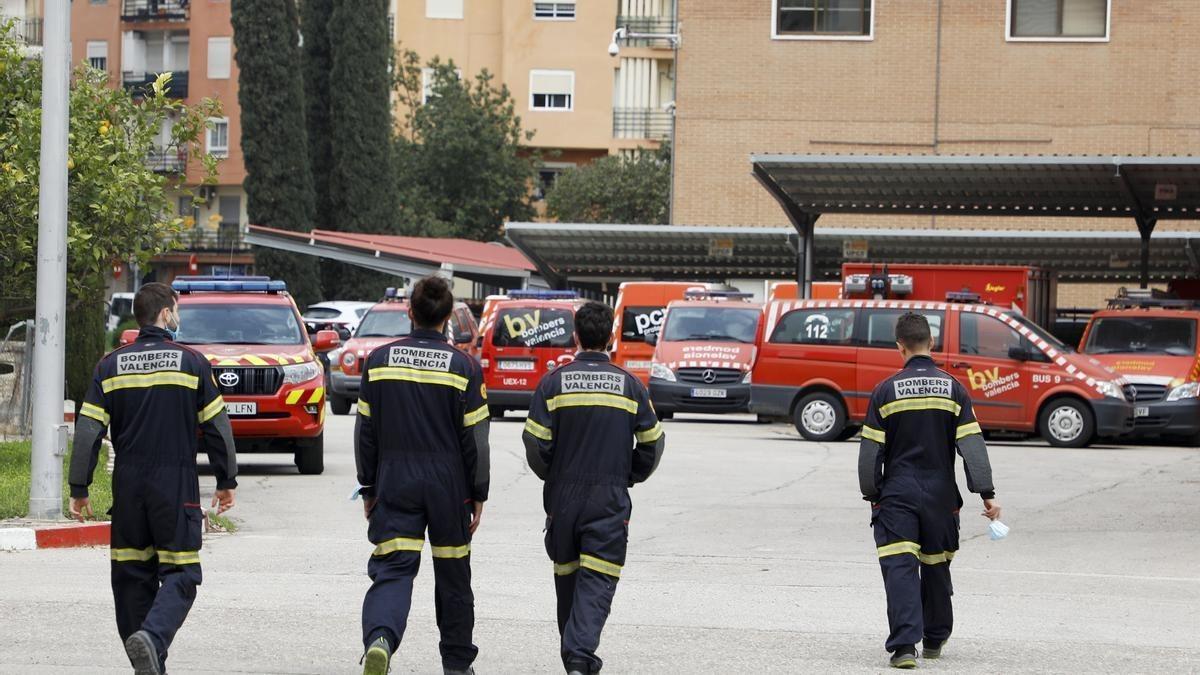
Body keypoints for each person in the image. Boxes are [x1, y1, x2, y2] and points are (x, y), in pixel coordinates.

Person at [69, 281, 237, 675]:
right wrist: (226, 480)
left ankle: (146, 662)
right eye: (176, 311)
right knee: (182, 572)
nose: (178, 318)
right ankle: (153, 639)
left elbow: (88, 430)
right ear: (165, 315)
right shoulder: (192, 363)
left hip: (128, 487)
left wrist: (79, 486)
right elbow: (217, 428)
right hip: (174, 484)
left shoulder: (110, 366)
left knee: (131, 578)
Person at [356, 276, 490, 675]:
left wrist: (368, 485)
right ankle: (455, 664)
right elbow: (476, 442)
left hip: (395, 477)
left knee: (393, 568)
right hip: (449, 485)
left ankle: (380, 638)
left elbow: (366, 432)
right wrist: (478, 491)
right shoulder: (464, 366)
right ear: (448, 317)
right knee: (453, 575)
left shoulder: (378, 362)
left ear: (409, 312)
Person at [523, 301, 666, 674]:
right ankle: (579, 657)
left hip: (563, 498)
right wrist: (628, 475)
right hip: (608, 497)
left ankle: (574, 654)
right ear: (612, 337)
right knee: (598, 579)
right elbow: (652, 444)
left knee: (567, 580)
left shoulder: (553, 383)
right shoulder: (631, 387)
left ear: (575, 336)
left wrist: (553, 475)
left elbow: (534, 444)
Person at [858, 312, 1001, 669]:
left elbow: (870, 452)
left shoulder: (885, 391)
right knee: (936, 567)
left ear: (899, 346)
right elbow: (972, 445)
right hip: (940, 496)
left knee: (900, 567)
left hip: (898, 494)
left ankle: (905, 647)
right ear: (931, 343)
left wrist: (873, 492)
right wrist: (985, 492)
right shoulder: (954, 389)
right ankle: (935, 639)